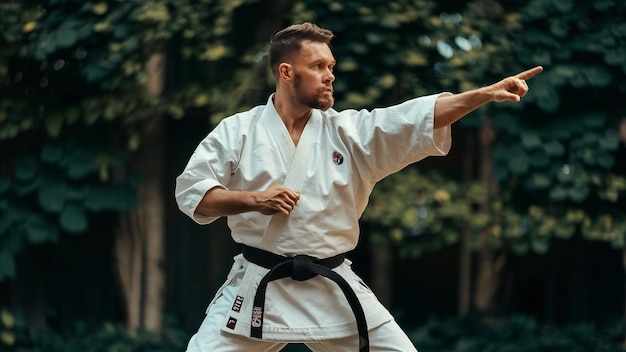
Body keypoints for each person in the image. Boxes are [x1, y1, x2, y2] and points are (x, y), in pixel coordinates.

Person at [175, 22, 542, 352]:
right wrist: (254, 199)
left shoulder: (350, 133)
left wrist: (484, 95)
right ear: (286, 72)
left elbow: (416, 117)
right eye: (318, 67)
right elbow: (195, 195)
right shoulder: (237, 131)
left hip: (332, 286)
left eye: (331, 67)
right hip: (260, 285)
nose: (330, 75)